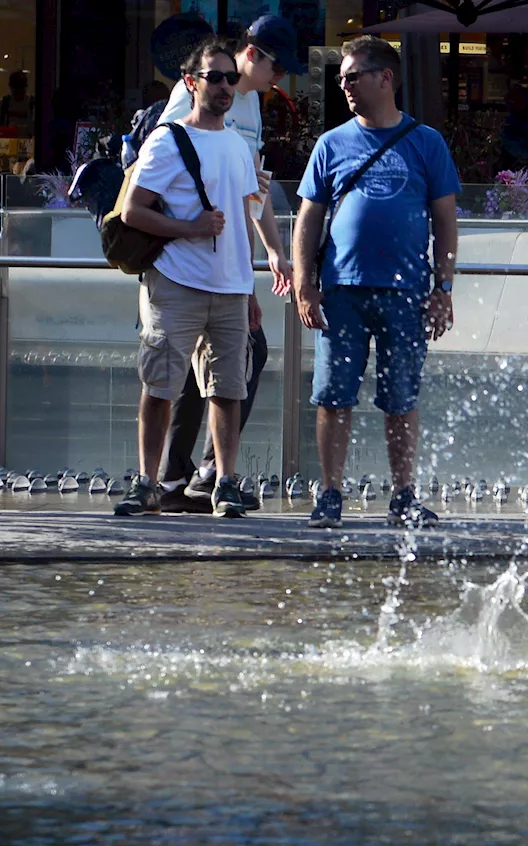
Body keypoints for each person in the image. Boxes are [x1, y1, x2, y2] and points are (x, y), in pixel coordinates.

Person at [292, 36, 460, 530]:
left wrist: (443, 288)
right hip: (342, 290)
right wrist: (305, 281)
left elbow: (446, 221)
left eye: (352, 76)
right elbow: (308, 217)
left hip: (406, 291)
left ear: (384, 78)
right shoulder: (332, 143)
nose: (342, 84)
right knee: (332, 395)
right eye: (341, 77)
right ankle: (330, 493)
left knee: (401, 398)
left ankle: (404, 495)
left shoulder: (426, 142)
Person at [151, 16, 304, 513]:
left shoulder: (253, 106)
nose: (279, 80)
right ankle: (186, 475)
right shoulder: (189, 95)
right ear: (253, 53)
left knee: (231, 362)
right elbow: (157, 170)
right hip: (184, 261)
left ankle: (200, 474)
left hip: (227, 260)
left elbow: (249, 191)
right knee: (198, 367)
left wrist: (271, 253)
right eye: (277, 68)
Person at [113, 38, 260, 518]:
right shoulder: (168, 138)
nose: (223, 86)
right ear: (190, 82)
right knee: (161, 386)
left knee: (227, 389)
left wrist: (252, 285)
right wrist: (188, 228)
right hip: (176, 282)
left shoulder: (238, 146)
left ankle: (224, 482)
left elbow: (243, 219)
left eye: (230, 78)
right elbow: (133, 211)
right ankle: (146, 482)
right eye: (213, 77)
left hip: (231, 288)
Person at [0, 72, 33, 137]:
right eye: (16, 92)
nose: (19, 95)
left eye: (21, 92)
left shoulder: (31, 103)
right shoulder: (4, 103)